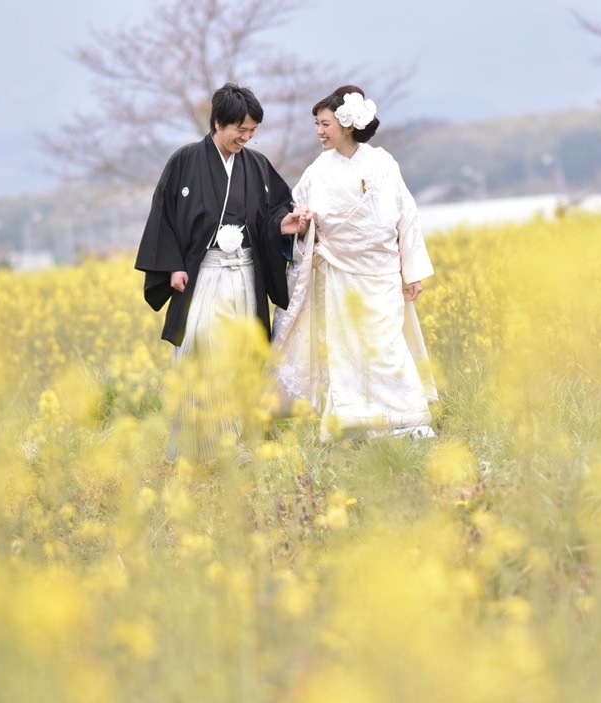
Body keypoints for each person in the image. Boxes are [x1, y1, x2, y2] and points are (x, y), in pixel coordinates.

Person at [134, 82, 310, 460]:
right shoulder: (185, 161)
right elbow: (163, 217)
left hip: (245, 273)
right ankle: (205, 443)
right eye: (239, 130)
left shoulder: (258, 166)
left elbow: (276, 209)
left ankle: (240, 442)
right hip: (205, 276)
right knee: (204, 350)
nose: (245, 138)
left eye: (252, 132)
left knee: (242, 354)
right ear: (218, 122)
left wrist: (284, 225)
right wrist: (173, 267)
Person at [271, 85, 437, 439]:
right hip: (338, 272)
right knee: (345, 350)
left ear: (347, 125)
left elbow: (406, 216)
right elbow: (298, 209)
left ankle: (405, 418)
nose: (319, 131)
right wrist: (302, 221)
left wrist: (413, 271)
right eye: (316, 124)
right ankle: (351, 423)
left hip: (380, 273)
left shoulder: (382, 163)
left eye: (325, 123)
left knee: (386, 345)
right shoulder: (318, 170)